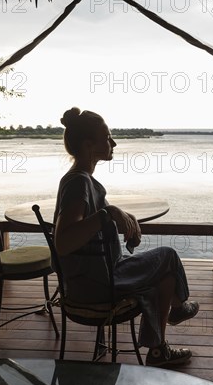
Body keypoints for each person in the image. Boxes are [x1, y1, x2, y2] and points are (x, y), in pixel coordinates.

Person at [53, 107, 199, 367]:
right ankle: (178, 308)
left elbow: (92, 226)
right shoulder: (79, 183)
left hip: (95, 277)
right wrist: (108, 214)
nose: (114, 143)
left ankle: (158, 351)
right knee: (168, 255)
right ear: (89, 145)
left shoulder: (82, 180)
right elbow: (63, 242)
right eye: (107, 137)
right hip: (98, 285)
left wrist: (121, 218)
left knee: (165, 277)